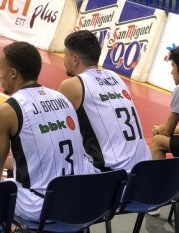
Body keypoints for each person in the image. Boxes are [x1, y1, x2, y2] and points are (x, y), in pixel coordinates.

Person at [0, 42, 91, 221]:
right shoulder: (62, 98)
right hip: (78, 200)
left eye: (1, 70)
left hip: (40, 206)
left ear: (13, 73)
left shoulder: (9, 110)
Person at [58, 30, 151, 173]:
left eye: (65, 55)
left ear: (75, 59)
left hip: (110, 175)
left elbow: (58, 134)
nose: (63, 60)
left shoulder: (71, 85)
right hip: (144, 168)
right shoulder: (115, 76)